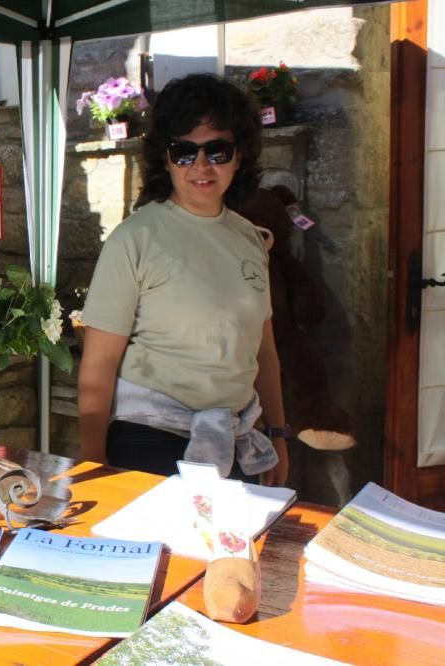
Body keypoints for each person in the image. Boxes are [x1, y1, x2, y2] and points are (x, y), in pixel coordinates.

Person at [77, 73, 289, 486]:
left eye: (218, 150)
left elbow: (264, 351)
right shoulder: (134, 239)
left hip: (238, 444)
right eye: (185, 152)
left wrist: (279, 436)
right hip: (148, 445)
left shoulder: (250, 239)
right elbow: (98, 367)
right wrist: (95, 466)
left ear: (239, 156)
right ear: (166, 158)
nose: (202, 166)